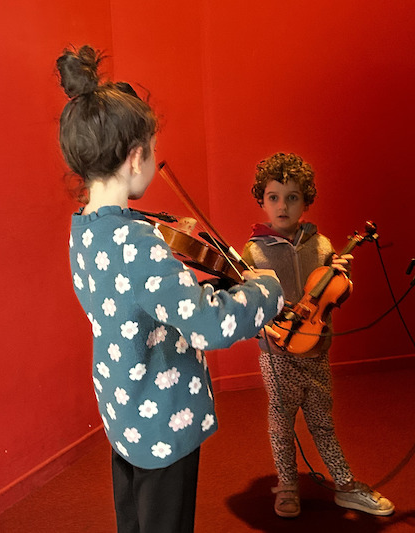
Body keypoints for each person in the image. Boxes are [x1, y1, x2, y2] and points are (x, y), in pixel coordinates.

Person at [55, 45, 283, 533]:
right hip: (163, 418)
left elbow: (135, 298)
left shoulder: (85, 230)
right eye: (152, 150)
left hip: (123, 406)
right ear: (135, 156)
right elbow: (208, 325)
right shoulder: (140, 244)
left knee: (134, 522)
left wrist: (181, 272)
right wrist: (266, 290)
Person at [241, 152, 395, 518]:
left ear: (306, 202)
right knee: (281, 425)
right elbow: (247, 304)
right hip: (277, 356)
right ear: (262, 200)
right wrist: (261, 321)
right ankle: (288, 485)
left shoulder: (322, 245)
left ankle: (345, 485)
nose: (283, 206)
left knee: (323, 423)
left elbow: (333, 297)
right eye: (274, 197)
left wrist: (342, 275)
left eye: (292, 197)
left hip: (317, 352)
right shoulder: (253, 251)